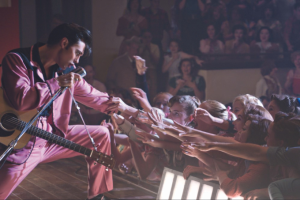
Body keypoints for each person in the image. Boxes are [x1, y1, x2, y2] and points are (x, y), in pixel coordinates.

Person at [0, 23, 116, 200]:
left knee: (101, 135)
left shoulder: (67, 71)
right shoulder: (17, 59)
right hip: (24, 144)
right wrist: (56, 83)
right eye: (77, 53)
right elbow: (21, 100)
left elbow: (97, 98)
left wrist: (134, 111)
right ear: (64, 43)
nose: (77, 60)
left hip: (53, 137)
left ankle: (98, 197)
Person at [194, 112, 300, 200]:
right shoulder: (281, 156)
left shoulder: (287, 157)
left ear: (281, 143)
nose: (265, 139)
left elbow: (232, 189)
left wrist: (219, 174)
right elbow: (252, 152)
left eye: (268, 135)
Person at [138, 30, 160, 101]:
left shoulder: (155, 47)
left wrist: (149, 50)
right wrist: (144, 49)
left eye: (149, 37)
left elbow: (156, 61)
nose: (147, 39)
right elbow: (136, 59)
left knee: (153, 89)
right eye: (145, 37)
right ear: (142, 38)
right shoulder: (139, 46)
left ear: (151, 38)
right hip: (141, 70)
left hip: (151, 69)